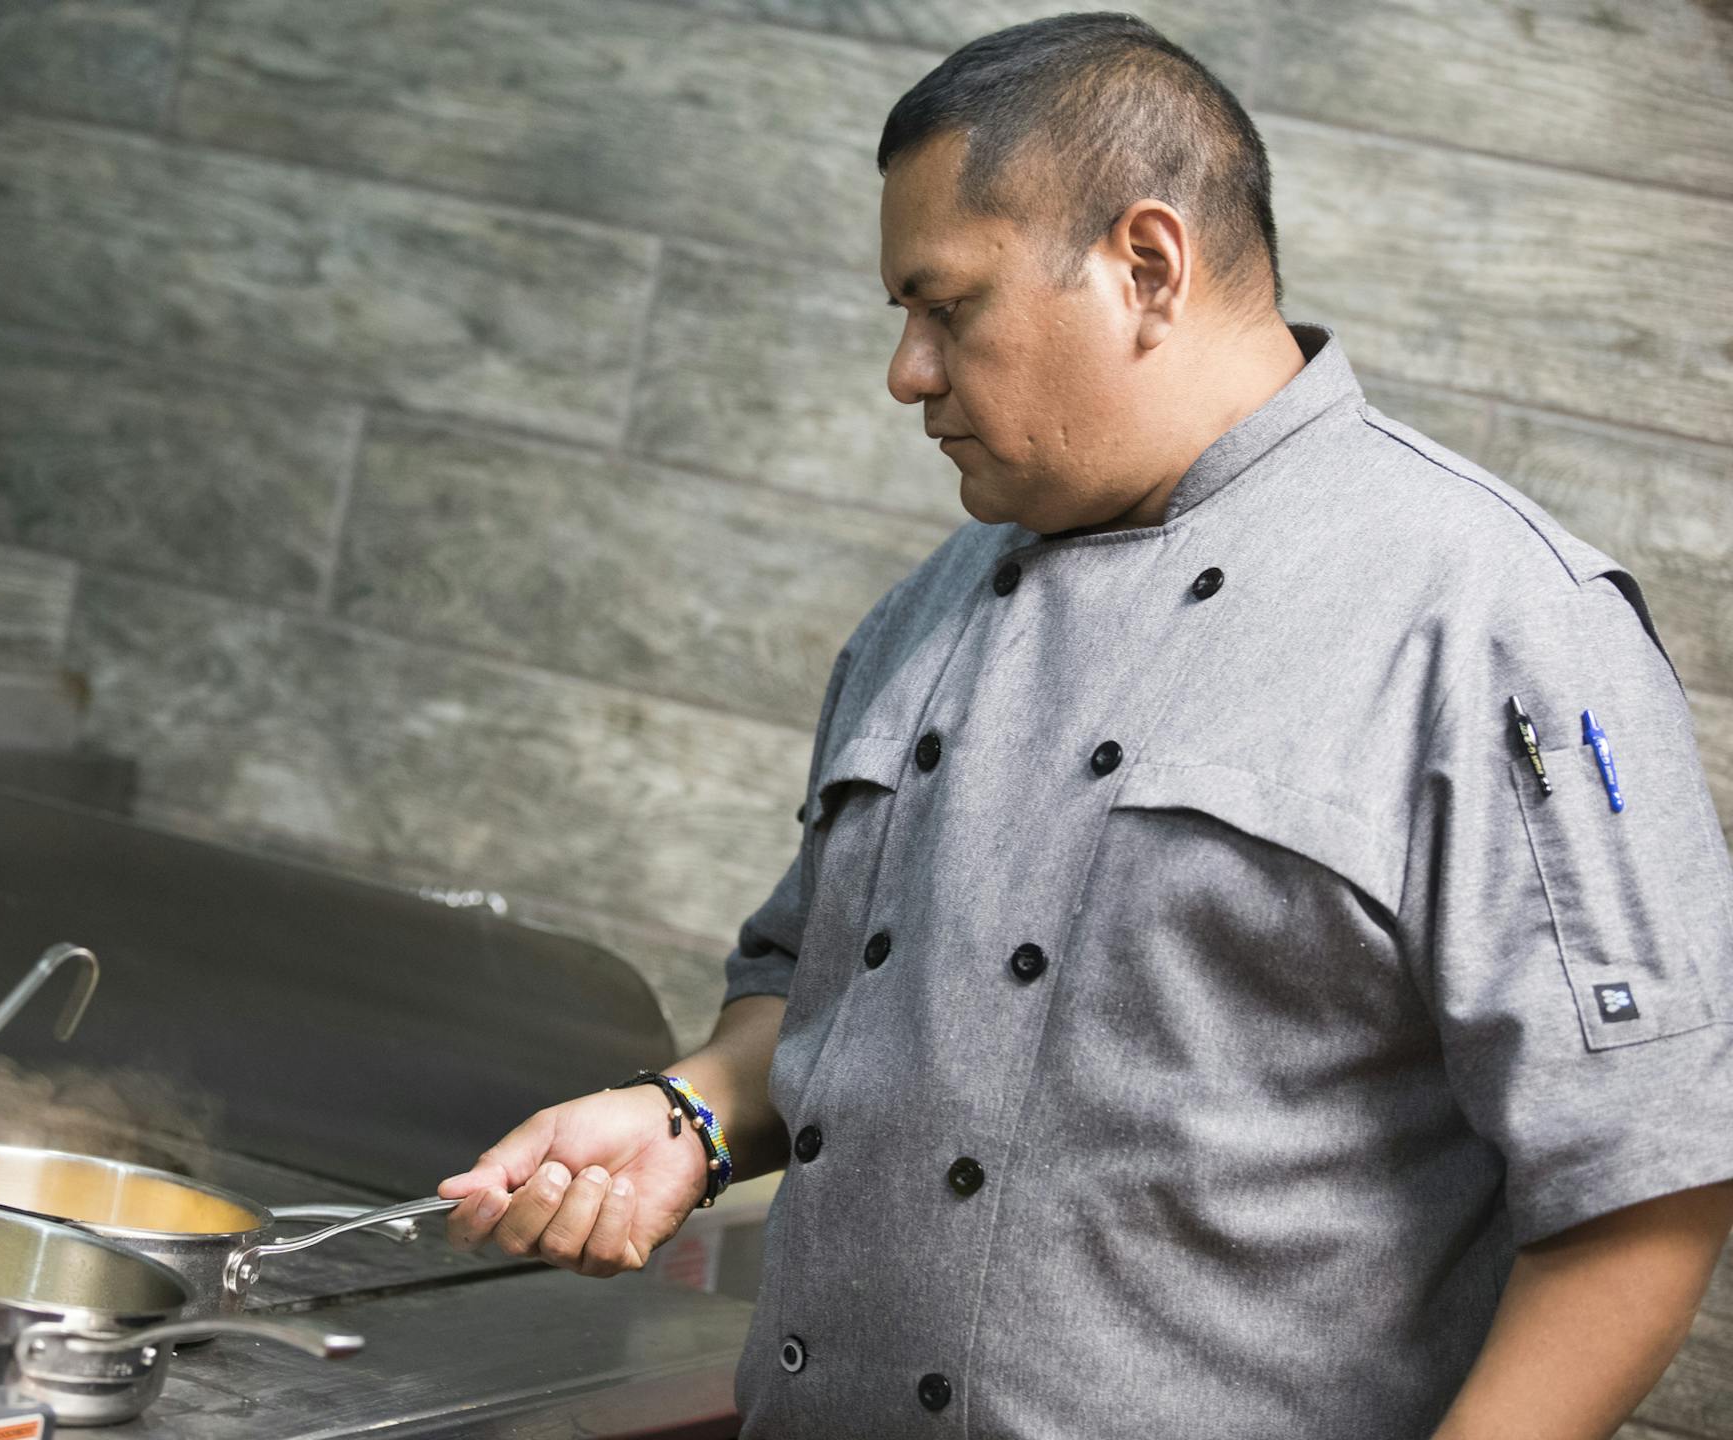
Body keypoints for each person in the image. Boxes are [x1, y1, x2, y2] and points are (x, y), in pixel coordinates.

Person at [439, 13, 1733, 1437]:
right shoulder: (924, 610)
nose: (908, 374)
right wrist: (686, 1113)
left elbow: (1645, 1193)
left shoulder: (1493, 619)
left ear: (1147, 266)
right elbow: (811, 988)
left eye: (950, 309)